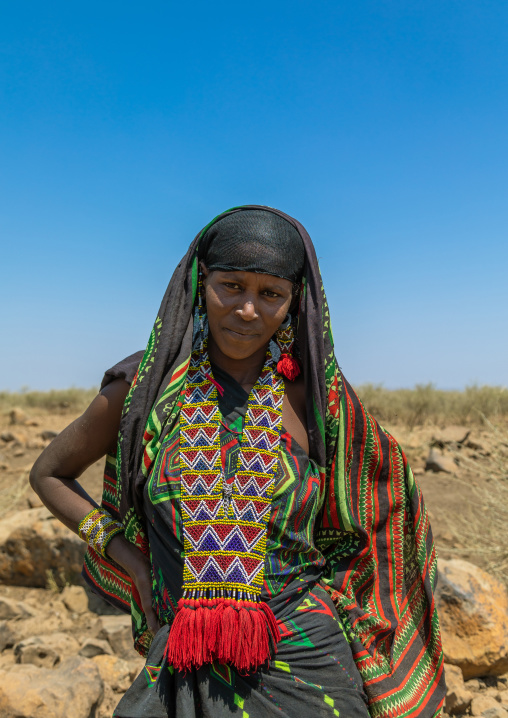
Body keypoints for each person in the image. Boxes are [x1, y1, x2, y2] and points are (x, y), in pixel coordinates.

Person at [30, 206, 445, 718]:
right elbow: (48, 474)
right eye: (232, 286)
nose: (248, 309)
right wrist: (130, 560)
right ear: (201, 285)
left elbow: (388, 508)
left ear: (294, 304)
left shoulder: (319, 401)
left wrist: (352, 606)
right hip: (181, 653)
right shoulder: (144, 389)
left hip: (307, 662)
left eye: (270, 293)